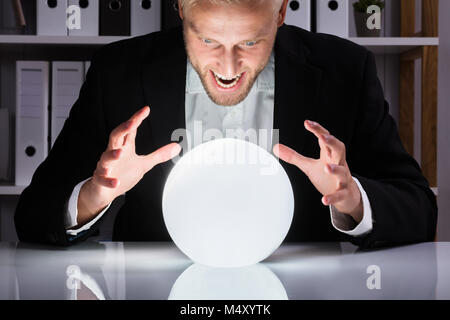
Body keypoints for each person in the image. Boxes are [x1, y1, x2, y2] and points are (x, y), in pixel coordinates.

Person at [15, 0, 437, 248]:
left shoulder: (344, 69)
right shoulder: (120, 71)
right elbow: (33, 214)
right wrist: (95, 193)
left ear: (281, 14)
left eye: (250, 42)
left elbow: (420, 208)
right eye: (209, 41)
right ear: (181, 7)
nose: (229, 67)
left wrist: (352, 199)